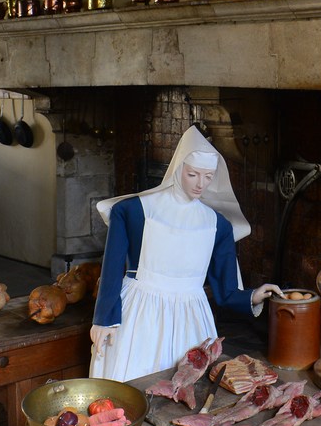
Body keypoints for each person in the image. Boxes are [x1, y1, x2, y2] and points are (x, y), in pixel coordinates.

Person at [90, 125, 282, 382]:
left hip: (192, 316)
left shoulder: (218, 225)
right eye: (193, 174)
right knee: (132, 384)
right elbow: (112, 268)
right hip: (141, 312)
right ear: (179, 167)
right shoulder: (133, 211)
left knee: (190, 386)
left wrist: (253, 296)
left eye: (208, 176)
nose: (200, 184)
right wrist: (104, 319)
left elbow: (226, 291)